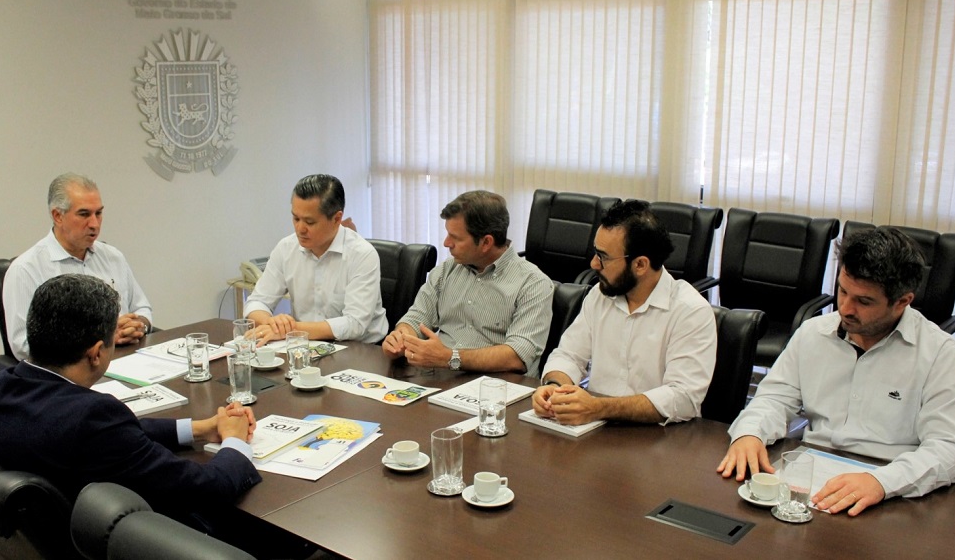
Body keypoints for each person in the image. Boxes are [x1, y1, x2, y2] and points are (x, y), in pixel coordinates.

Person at [717, 227, 955, 516]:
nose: (845, 308)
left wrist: (882, 482)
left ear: (902, 301)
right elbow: (774, 399)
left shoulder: (941, 355)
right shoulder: (814, 333)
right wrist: (749, 434)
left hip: (894, 492)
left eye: (864, 301)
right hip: (811, 480)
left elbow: (951, 450)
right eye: (842, 291)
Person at [0, 274, 260, 532]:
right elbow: (207, 489)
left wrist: (198, 429)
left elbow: (116, 436)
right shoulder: (91, 417)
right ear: (97, 353)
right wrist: (236, 442)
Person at [531, 200, 717, 425]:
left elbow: (682, 398)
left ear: (640, 265)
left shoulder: (690, 311)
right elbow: (569, 355)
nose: (594, 264)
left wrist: (599, 408)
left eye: (603, 257)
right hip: (595, 427)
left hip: (659, 439)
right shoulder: (600, 295)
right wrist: (555, 388)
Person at [381, 190, 553, 376]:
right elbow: (417, 318)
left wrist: (450, 358)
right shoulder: (447, 270)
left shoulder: (533, 284)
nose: (446, 243)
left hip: (497, 388)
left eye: (455, 238)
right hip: (441, 379)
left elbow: (517, 356)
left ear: (486, 242)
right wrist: (401, 337)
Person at [3, 173, 152, 359]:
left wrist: (138, 326)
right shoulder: (26, 269)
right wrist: (103, 338)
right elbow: (23, 345)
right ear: (58, 216)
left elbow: (142, 308)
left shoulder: (113, 257)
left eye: (98, 213)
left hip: (125, 359)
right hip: (67, 375)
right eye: (84, 214)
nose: (94, 224)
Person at [245, 174, 387, 345]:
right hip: (304, 345)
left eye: (309, 222)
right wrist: (273, 324)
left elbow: (354, 324)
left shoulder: (362, 254)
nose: (299, 229)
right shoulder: (286, 248)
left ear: (336, 219)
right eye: (296, 218)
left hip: (359, 349)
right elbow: (257, 301)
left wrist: (291, 330)